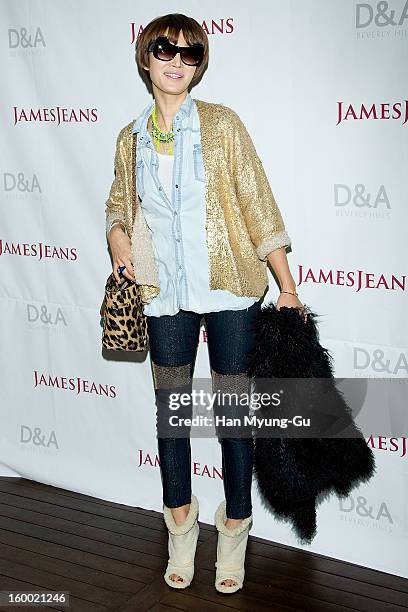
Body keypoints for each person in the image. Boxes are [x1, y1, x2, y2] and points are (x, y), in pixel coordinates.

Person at [105, 13, 305, 594]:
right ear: (146, 58)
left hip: (230, 290)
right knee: (172, 416)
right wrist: (121, 246)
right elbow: (119, 207)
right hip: (162, 293)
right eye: (164, 49)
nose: (175, 61)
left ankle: (235, 530)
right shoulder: (130, 136)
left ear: (199, 65)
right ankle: (181, 526)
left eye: (189, 53)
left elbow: (257, 204)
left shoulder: (221, 126)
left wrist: (286, 284)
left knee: (232, 416)